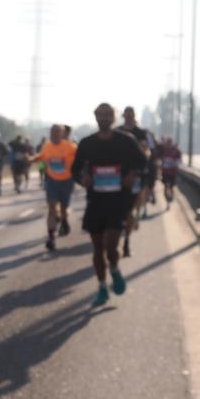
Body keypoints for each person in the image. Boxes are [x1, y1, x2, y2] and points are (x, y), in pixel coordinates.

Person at [71, 103, 145, 307]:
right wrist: (81, 179)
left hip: (118, 200)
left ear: (113, 118)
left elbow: (143, 162)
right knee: (97, 248)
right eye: (100, 114)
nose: (103, 118)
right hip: (95, 200)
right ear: (95, 117)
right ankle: (102, 287)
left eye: (107, 114)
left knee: (110, 245)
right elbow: (75, 169)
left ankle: (114, 268)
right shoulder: (87, 143)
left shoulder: (126, 141)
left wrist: (133, 175)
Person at [31, 125, 77, 251]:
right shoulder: (47, 146)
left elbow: (80, 160)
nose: (54, 134)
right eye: (52, 131)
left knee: (63, 208)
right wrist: (31, 159)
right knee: (51, 208)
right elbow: (42, 157)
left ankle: (64, 221)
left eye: (57, 132)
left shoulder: (70, 147)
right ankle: (51, 237)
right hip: (52, 181)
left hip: (66, 181)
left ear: (62, 134)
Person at [116, 106, 150, 258]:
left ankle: (126, 241)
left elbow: (145, 151)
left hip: (135, 174)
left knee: (131, 208)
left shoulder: (141, 133)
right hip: (116, 176)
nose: (129, 117)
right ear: (123, 116)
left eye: (131, 115)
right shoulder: (117, 132)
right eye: (126, 114)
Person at [158, 136, 182, 209]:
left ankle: (171, 197)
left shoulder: (176, 150)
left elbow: (179, 159)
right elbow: (159, 158)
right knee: (165, 186)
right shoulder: (163, 150)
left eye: (170, 143)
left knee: (171, 187)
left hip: (172, 172)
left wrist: (175, 163)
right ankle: (167, 200)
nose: (168, 145)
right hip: (165, 172)